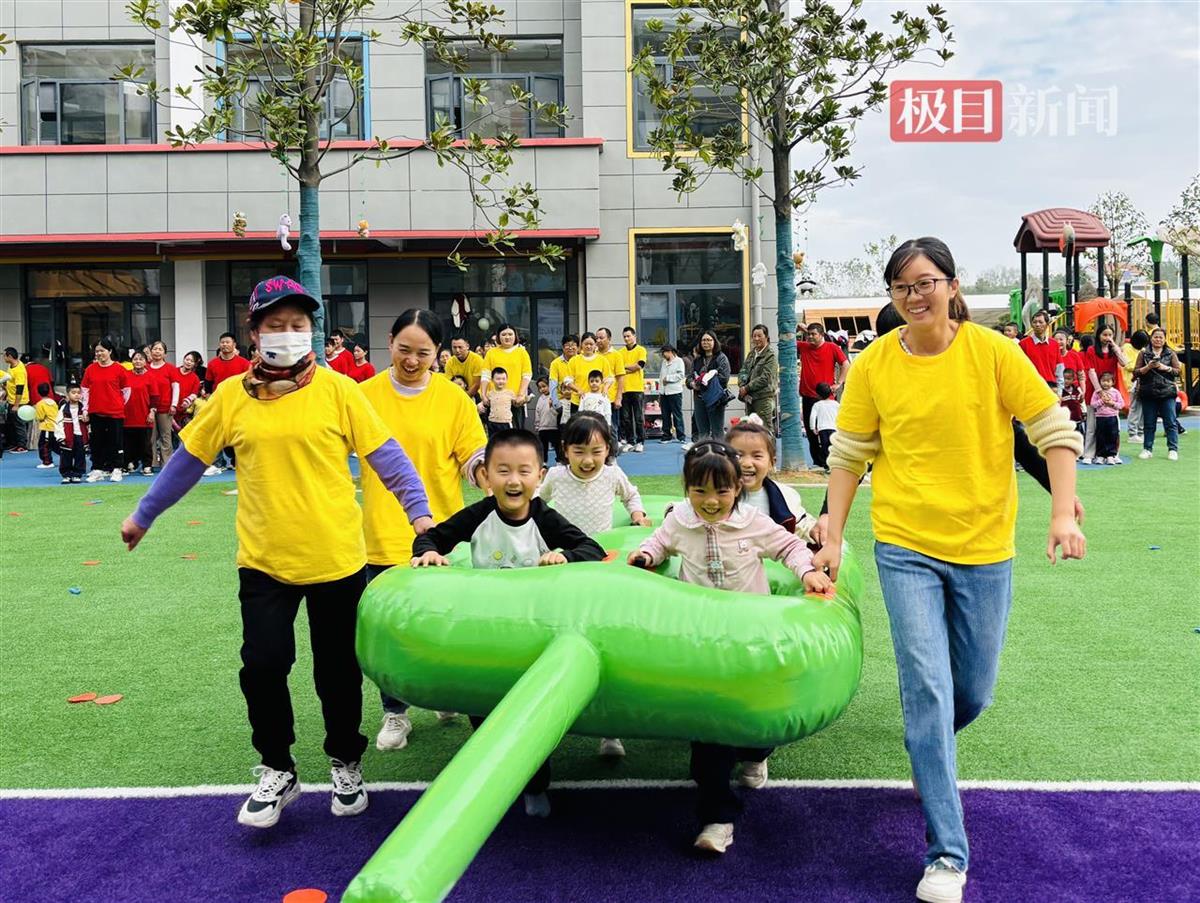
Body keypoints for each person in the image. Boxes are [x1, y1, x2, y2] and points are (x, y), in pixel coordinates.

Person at [814, 237, 1084, 903]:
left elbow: (1052, 428)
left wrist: (1063, 513)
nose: (915, 295)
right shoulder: (874, 363)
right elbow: (849, 454)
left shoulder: (992, 352)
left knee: (974, 691)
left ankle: (926, 747)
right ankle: (946, 854)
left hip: (985, 546)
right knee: (928, 689)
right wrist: (832, 532)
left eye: (925, 282)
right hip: (904, 544)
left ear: (952, 286)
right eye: (902, 286)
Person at [119, 275, 433, 831]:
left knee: (338, 672)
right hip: (264, 561)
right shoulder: (230, 397)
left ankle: (346, 760)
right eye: (276, 324)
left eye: (298, 324)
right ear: (255, 332)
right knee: (263, 666)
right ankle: (277, 768)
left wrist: (420, 515)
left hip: (336, 559)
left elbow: (387, 457)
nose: (288, 333)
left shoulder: (338, 390)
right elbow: (188, 460)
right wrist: (145, 513)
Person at [628, 440, 831, 854]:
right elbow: (659, 542)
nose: (710, 501)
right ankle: (717, 819)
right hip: (703, 644)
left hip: (748, 641)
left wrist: (806, 572)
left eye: (721, 491)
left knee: (754, 724)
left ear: (737, 488)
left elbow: (789, 546)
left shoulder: (752, 522)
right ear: (686, 489)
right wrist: (645, 555)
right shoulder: (680, 521)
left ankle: (757, 753)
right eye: (699, 491)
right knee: (709, 735)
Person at [411, 429, 605, 818]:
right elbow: (431, 539)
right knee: (483, 709)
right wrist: (429, 553)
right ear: (486, 475)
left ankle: (535, 784)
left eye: (523, 471)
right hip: (486, 634)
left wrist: (564, 556)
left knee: (527, 711)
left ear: (540, 476)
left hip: (532, 635)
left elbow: (592, 548)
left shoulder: (543, 517)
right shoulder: (480, 515)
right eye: (503, 471)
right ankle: (492, 777)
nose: (513, 480)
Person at [358, 308, 488, 752]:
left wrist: (487, 476)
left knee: (446, 626)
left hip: (442, 536)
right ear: (389, 341)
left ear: (438, 353)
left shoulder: (453, 399)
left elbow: (472, 455)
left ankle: (445, 694)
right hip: (382, 535)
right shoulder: (363, 396)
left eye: (423, 353)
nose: (412, 360)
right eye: (404, 349)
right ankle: (395, 711)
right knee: (391, 634)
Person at [538, 412, 649, 536]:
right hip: (566, 545)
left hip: (601, 544)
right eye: (579, 452)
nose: (588, 461)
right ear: (565, 449)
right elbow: (537, 501)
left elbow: (631, 496)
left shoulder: (612, 475)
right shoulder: (556, 476)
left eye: (596, 452)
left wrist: (637, 515)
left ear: (607, 449)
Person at [725, 416, 817, 541]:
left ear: (771, 463)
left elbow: (802, 527)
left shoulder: (786, 496)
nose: (746, 463)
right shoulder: (714, 494)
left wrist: (814, 531)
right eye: (738, 455)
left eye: (757, 456)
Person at [797, 323, 849, 468]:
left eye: (814, 334)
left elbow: (845, 364)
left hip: (827, 398)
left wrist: (839, 383)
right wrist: (798, 328)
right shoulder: (803, 346)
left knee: (829, 430)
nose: (810, 337)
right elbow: (786, 342)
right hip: (808, 395)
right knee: (811, 431)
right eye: (809, 334)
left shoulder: (832, 347)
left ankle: (831, 460)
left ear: (821, 335)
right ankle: (818, 461)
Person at [81, 338, 128, 482]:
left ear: (110, 351)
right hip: (96, 411)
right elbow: (85, 390)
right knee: (97, 442)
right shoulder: (90, 369)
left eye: (102, 351)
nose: (99, 354)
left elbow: (126, 391)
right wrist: (85, 409)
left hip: (115, 412)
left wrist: (118, 404)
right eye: (97, 351)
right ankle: (97, 469)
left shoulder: (119, 369)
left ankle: (117, 469)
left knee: (116, 442)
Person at [1081, 324, 1127, 465]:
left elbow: (1124, 363)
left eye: (1110, 335)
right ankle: (1089, 453)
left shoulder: (1114, 350)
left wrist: (1116, 348)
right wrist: (1099, 391)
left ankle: (1113, 453)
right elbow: (1091, 371)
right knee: (1092, 426)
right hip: (1094, 390)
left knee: (1113, 426)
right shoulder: (1091, 350)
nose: (1107, 338)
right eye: (1104, 335)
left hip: (1112, 391)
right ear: (1098, 335)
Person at [205, 333, 251, 476]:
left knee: (238, 433)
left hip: (239, 404)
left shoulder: (244, 363)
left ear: (234, 345)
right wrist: (210, 400)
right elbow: (208, 385)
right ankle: (217, 463)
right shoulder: (212, 364)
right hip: (219, 404)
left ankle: (239, 461)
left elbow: (249, 383)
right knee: (218, 433)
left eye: (227, 342)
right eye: (222, 342)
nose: (224, 345)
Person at [1135, 326, 1182, 461]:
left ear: (1165, 339)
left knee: (1170, 422)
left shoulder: (1170, 353)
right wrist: (1148, 366)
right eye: (1155, 337)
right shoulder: (1143, 353)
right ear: (1151, 338)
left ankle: (1172, 449)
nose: (1158, 340)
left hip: (1167, 392)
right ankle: (1147, 449)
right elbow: (1136, 372)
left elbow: (1177, 371)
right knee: (1149, 423)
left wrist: (1164, 367)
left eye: (1161, 337)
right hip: (1148, 392)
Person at [481, 324, 533, 429]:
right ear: (498, 337)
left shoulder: (522, 352)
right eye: (504, 334)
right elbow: (485, 375)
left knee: (515, 433)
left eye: (510, 334)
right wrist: (483, 395)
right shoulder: (491, 353)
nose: (507, 337)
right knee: (496, 434)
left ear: (515, 336)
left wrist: (521, 395)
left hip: (515, 400)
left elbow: (526, 375)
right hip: (495, 400)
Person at [687, 330, 731, 442]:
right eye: (703, 340)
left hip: (715, 399)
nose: (706, 342)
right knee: (702, 431)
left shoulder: (721, 358)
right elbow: (689, 378)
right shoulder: (697, 360)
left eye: (709, 340)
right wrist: (692, 384)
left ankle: (719, 451)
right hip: (699, 399)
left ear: (715, 342)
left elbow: (724, 378)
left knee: (717, 431)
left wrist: (705, 381)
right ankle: (704, 451)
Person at [563, 333, 612, 420]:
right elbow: (567, 380)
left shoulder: (602, 360)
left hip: (597, 403)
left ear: (595, 345)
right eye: (586, 344)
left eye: (591, 344)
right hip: (577, 401)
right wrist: (578, 390)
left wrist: (605, 388)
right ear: (581, 345)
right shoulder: (574, 360)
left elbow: (609, 379)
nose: (588, 346)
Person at [145, 340, 178, 469]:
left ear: (165, 353)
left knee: (166, 436)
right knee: (150, 437)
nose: (157, 352)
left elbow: (175, 387)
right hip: (149, 409)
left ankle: (167, 463)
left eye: (160, 349)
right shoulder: (146, 368)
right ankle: (152, 462)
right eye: (155, 349)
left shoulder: (170, 368)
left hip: (165, 407)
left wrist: (174, 404)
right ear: (150, 352)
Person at [123, 350, 157, 475]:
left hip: (144, 414)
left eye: (141, 359)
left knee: (145, 443)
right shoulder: (125, 375)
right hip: (127, 415)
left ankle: (147, 465)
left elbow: (154, 397)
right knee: (128, 442)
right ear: (131, 361)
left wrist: (152, 412)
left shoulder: (150, 376)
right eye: (135, 359)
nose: (138, 361)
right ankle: (129, 463)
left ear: (145, 361)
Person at [737, 324, 778, 423]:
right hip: (750, 398)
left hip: (764, 398)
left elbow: (765, 378)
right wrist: (742, 385)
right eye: (754, 336)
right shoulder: (752, 353)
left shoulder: (771, 355)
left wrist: (747, 388)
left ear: (766, 337)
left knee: (765, 428)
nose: (756, 339)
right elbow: (743, 371)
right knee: (751, 428)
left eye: (759, 336)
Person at [619, 326, 648, 452]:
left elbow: (639, 366)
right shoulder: (620, 352)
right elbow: (619, 369)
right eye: (624, 336)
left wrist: (625, 368)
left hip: (637, 388)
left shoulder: (641, 350)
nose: (626, 338)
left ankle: (640, 441)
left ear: (634, 336)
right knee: (626, 418)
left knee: (638, 417)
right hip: (624, 389)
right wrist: (629, 368)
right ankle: (630, 441)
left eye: (628, 336)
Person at [595, 328, 626, 441]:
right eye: (596, 338)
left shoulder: (616, 355)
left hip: (611, 398)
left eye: (601, 338)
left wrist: (619, 397)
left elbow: (620, 377)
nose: (598, 340)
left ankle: (614, 449)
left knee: (612, 428)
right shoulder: (593, 354)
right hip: (596, 397)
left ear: (609, 339)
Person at [55, 384, 88, 483]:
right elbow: (58, 423)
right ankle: (66, 474)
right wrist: (60, 436)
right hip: (68, 436)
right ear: (67, 395)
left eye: (78, 393)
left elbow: (88, 423)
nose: (76, 395)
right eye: (73, 393)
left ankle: (77, 474)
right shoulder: (63, 408)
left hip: (80, 436)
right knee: (66, 456)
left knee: (80, 456)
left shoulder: (84, 408)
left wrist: (87, 420)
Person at [1018, 310, 1058, 387]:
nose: (1037, 324)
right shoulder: (1023, 344)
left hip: (1051, 385)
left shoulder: (1054, 344)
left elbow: (1059, 367)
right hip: (1032, 385)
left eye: (1040, 322)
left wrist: (1059, 388)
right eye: (1035, 322)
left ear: (1047, 324)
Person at [1091, 371, 1123, 465]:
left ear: (1113, 382)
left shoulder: (1115, 392)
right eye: (1103, 381)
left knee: (1112, 435)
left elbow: (1121, 404)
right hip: (1100, 418)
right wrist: (1101, 401)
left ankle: (1111, 455)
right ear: (1100, 382)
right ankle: (1100, 455)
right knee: (1100, 436)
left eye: (1108, 381)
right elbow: (1093, 404)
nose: (1105, 383)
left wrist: (1112, 403)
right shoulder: (1097, 393)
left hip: (1112, 417)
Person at [1124, 330, 1150, 444]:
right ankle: (1132, 433)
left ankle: (1140, 432)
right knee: (1135, 408)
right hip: (1132, 382)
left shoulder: (1142, 350)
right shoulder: (1127, 348)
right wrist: (1142, 367)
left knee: (1143, 409)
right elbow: (1128, 365)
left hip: (1143, 381)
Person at [808, 382, 840, 474]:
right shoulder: (836, 404)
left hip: (823, 429)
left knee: (825, 447)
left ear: (818, 394)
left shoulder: (817, 405)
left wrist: (813, 427)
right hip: (834, 429)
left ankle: (827, 464)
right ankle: (834, 464)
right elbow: (841, 415)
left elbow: (812, 417)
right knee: (833, 447)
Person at [3, 346, 29, 452]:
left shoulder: (19, 370)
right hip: (11, 399)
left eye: (4, 356)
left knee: (19, 424)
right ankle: (14, 443)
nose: (3, 358)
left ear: (9, 356)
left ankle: (22, 446)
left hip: (19, 402)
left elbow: (20, 388)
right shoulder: (11, 366)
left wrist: (16, 405)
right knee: (11, 424)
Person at [659, 344, 686, 442]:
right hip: (664, 392)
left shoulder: (679, 361)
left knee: (677, 414)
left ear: (670, 352)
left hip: (675, 392)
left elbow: (681, 375)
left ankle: (681, 436)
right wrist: (660, 391)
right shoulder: (664, 362)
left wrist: (668, 378)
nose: (663, 355)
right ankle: (666, 435)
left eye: (664, 352)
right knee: (665, 415)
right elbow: (661, 376)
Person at [479, 367, 516, 437]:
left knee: (506, 441)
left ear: (507, 380)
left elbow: (516, 403)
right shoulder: (490, 394)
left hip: (506, 422)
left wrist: (525, 399)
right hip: (492, 422)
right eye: (498, 379)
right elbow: (484, 403)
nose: (501, 381)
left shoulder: (510, 393)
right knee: (493, 440)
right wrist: (480, 405)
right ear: (492, 380)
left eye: (503, 379)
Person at [444, 336, 485, 400]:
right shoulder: (450, 362)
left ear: (467, 346)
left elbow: (477, 384)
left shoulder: (477, 360)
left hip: (476, 394)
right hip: (457, 394)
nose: (457, 350)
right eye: (454, 347)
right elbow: (449, 384)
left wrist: (464, 399)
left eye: (460, 347)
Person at [533, 376, 561, 465]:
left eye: (544, 386)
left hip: (553, 427)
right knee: (543, 446)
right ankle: (544, 462)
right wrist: (537, 425)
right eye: (540, 388)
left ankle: (559, 461)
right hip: (542, 427)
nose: (542, 389)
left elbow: (558, 412)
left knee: (557, 445)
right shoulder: (540, 399)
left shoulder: (554, 397)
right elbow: (537, 412)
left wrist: (552, 406)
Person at [548, 334, 579, 417]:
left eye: (573, 345)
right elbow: (553, 384)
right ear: (562, 347)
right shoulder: (555, 363)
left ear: (578, 347)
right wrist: (556, 403)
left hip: (578, 401)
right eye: (567, 345)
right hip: (562, 402)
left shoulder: (582, 361)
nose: (570, 348)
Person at [175, 351, 204, 436]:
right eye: (187, 359)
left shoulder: (195, 378)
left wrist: (187, 401)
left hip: (184, 412)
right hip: (170, 409)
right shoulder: (173, 372)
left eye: (192, 361)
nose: (188, 362)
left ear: (195, 364)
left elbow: (194, 394)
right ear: (184, 359)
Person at [34, 384, 58, 469]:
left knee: (44, 445)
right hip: (56, 426)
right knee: (55, 445)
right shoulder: (53, 402)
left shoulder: (40, 404)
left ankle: (47, 462)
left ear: (38, 392)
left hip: (47, 427)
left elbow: (40, 417)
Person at [1060, 368, 1085, 436]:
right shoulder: (1060, 391)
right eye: (1064, 379)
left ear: (1073, 380)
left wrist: (1081, 399)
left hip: (1077, 418)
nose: (1066, 381)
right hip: (1066, 420)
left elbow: (1081, 401)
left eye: (1068, 379)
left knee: (1078, 435)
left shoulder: (1077, 389)